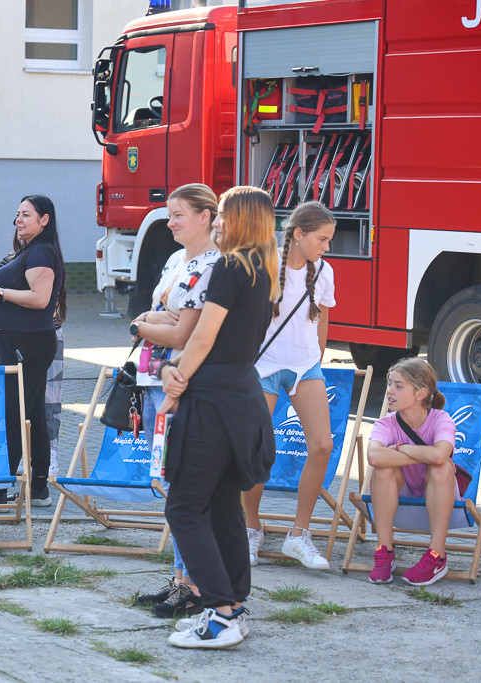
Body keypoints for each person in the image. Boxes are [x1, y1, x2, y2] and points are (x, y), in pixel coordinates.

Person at [158, 186, 278, 649]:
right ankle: (234, 608)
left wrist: (175, 382)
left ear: (242, 219)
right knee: (224, 505)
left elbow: (203, 339)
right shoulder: (264, 269)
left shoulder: (232, 265)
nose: (220, 221)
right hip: (241, 397)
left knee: (184, 507)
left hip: (212, 399)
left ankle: (221, 613)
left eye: (225, 214)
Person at [131, 183, 219, 618]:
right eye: (170, 214)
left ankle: (194, 583)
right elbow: (162, 317)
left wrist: (143, 324)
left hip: (180, 385)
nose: (171, 222)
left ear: (205, 216)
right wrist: (152, 320)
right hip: (152, 380)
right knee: (168, 484)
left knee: (184, 487)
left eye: (179, 214)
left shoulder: (212, 264)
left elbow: (183, 333)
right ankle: (180, 579)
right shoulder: (173, 260)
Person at [245, 201, 337, 569]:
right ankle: (251, 529)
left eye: (329, 240)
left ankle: (298, 535)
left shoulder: (324, 271)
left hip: (305, 366)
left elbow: (323, 321)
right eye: (322, 238)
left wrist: (317, 359)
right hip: (262, 366)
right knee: (253, 450)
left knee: (322, 445)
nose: (326, 246)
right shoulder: (264, 265)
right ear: (298, 234)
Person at [0, 194, 67, 508]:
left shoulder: (40, 252)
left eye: (26, 214)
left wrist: (1, 292)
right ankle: (39, 487)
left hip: (28, 345)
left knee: (13, 414)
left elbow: (40, 299)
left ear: (44, 220)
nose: (18, 220)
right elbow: (19, 292)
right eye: (17, 214)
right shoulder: (29, 251)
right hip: (18, 343)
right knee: (34, 415)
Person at [366, 358, 457, 586]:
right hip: (399, 498)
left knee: (441, 467)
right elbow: (374, 457)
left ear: (420, 394)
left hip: (441, 498)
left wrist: (400, 448)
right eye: (389, 384)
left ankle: (437, 555)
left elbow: (439, 456)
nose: (389, 391)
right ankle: (384, 550)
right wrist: (423, 452)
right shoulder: (386, 423)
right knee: (383, 469)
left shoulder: (441, 420)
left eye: (399, 386)